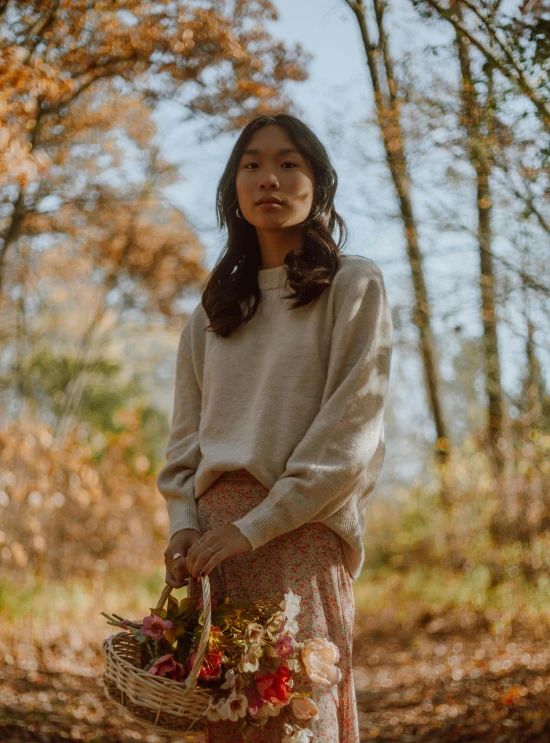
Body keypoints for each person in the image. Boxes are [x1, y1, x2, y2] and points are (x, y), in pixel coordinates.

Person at [156, 113, 393, 743]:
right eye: (252, 164)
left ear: (318, 183)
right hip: (214, 546)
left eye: (290, 163)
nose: (271, 178)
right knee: (232, 725)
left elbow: (353, 428)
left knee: (296, 722)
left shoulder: (353, 285)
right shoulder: (212, 313)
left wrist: (257, 526)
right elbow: (184, 443)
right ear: (233, 187)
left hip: (300, 535)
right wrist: (184, 526)